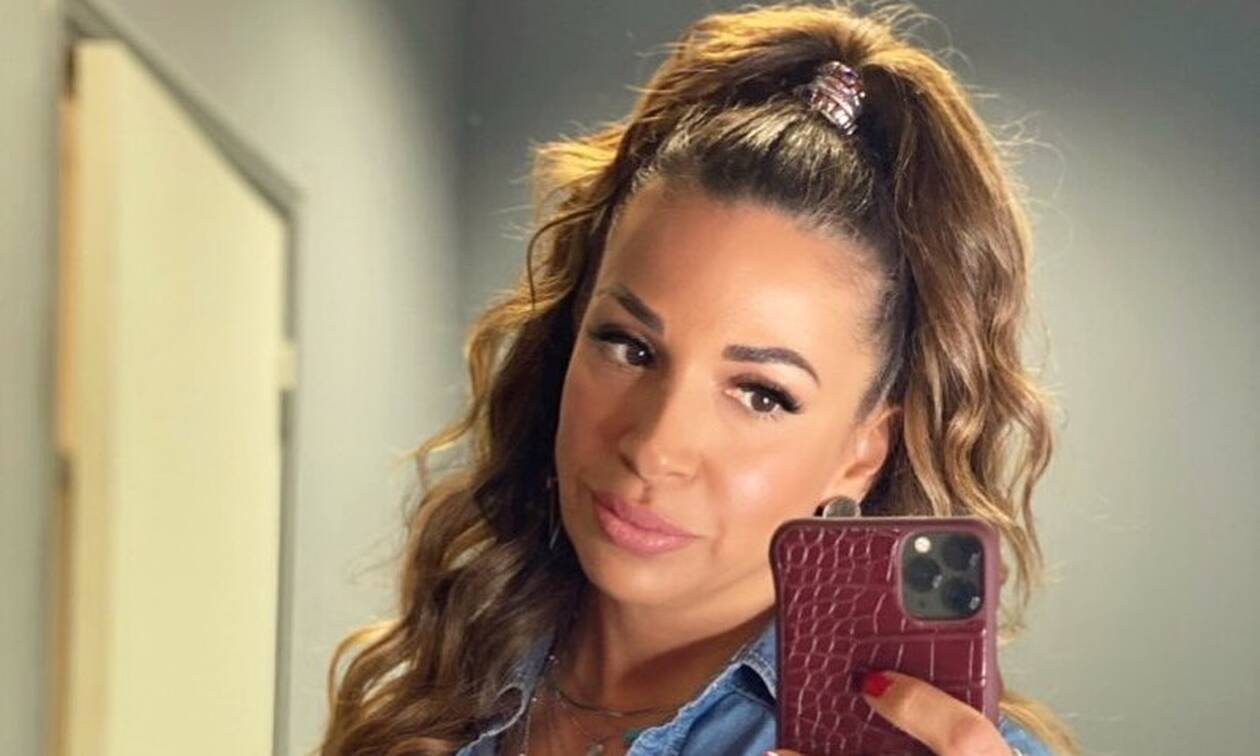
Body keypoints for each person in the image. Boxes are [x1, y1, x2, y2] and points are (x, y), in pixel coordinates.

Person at [318, 3, 1078, 754]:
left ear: (864, 448)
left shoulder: (929, 750)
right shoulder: (438, 688)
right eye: (628, 347)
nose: (654, 447)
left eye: (761, 394)